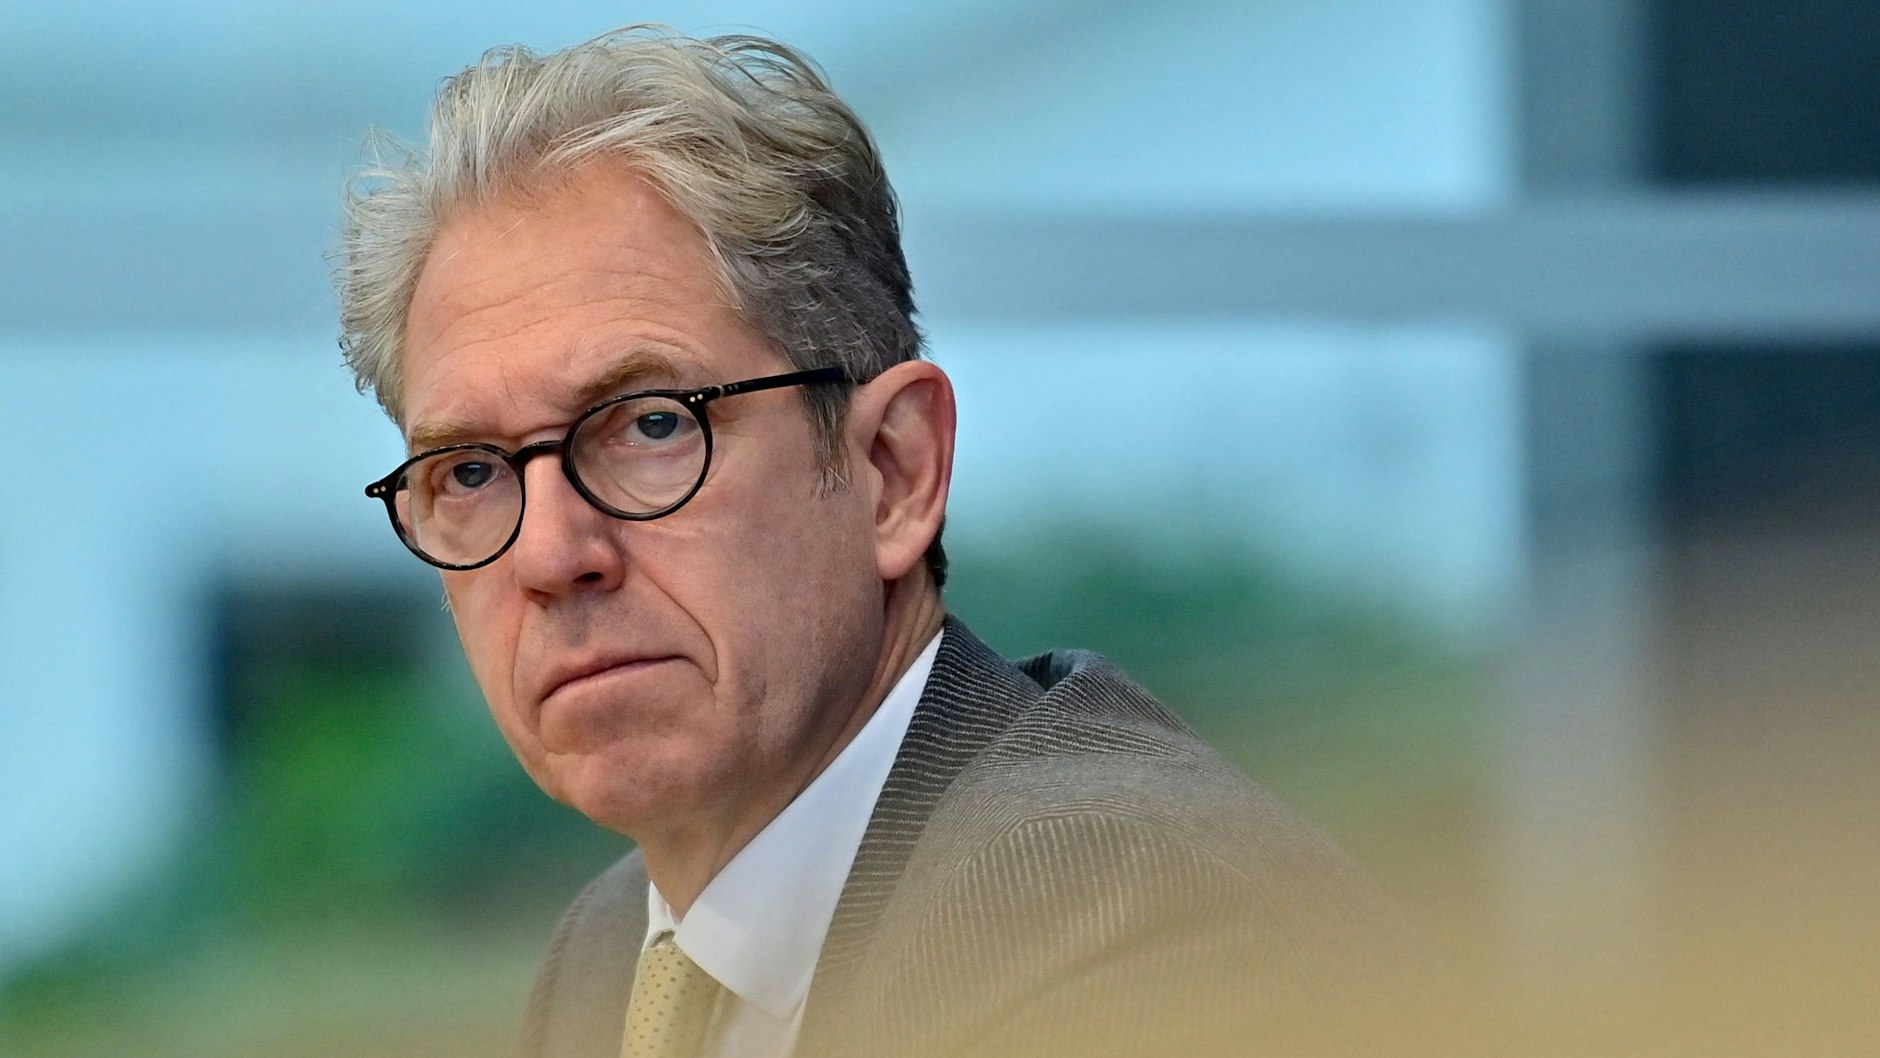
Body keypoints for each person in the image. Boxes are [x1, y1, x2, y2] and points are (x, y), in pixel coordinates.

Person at [334, 25, 1435, 1058]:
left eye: (652, 425)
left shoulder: (1123, 904)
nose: (548, 555)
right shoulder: (607, 953)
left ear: (893, 473)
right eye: (468, 471)